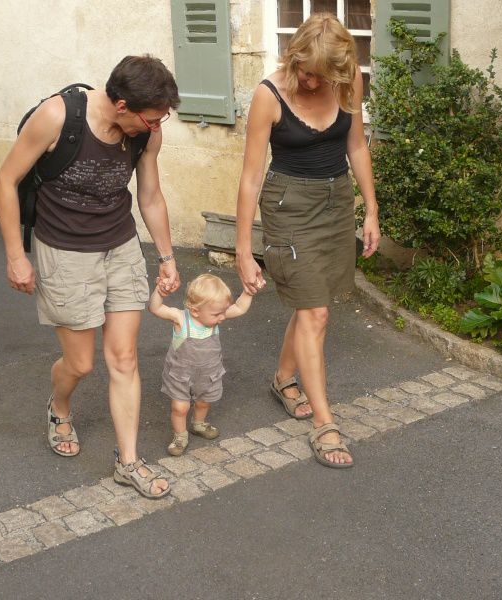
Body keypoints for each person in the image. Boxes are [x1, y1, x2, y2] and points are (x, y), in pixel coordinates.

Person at [0, 55, 180, 499]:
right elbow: (5, 180)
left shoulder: (146, 134)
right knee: (81, 363)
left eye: (161, 119)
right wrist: (15, 255)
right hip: (64, 253)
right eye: (151, 119)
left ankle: (128, 461)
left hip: (120, 247)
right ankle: (60, 406)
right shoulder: (58, 116)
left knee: (124, 359)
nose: (156, 127)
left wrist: (167, 257)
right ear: (120, 105)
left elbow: (149, 196)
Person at [235, 14, 381, 468]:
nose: (309, 79)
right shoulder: (269, 95)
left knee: (313, 304)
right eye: (304, 68)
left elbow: (356, 145)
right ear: (294, 55)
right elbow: (251, 176)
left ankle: (283, 378)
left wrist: (371, 209)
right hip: (289, 207)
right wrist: (243, 248)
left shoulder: (346, 81)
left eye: (319, 73)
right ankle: (325, 424)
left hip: (336, 201)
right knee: (314, 310)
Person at [148, 274, 254, 456]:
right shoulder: (181, 319)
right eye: (217, 314)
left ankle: (198, 423)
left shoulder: (215, 315)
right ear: (196, 311)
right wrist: (159, 291)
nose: (222, 317)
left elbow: (239, 308)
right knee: (180, 408)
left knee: (204, 402)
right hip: (180, 375)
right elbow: (155, 308)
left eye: (223, 312)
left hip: (208, 374)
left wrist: (248, 292)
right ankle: (180, 436)